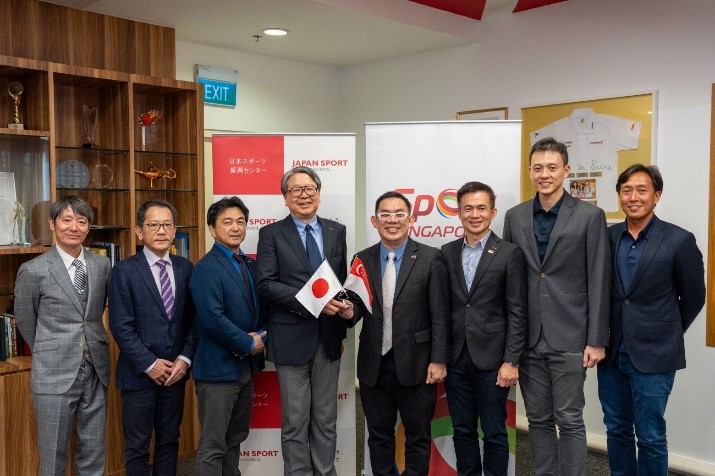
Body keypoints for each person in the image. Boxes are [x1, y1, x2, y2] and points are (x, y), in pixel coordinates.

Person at [502, 137, 610, 476]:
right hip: (529, 336)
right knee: (537, 418)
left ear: (565, 170)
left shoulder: (590, 216)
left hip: (571, 334)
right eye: (538, 168)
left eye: (552, 167)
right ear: (530, 172)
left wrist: (596, 338)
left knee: (570, 419)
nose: (544, 174)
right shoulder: (515, 216)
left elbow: (599, 279)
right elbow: (509, 278)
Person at [598, 164, 705, 476]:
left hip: (656, 354)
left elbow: (695, 297)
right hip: (612, 352)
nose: (633, 197)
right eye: (626, 190)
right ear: (619, 195)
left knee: (650, 435)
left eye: (641, 190)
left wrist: (667, 330)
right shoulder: (607, 237)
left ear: (656, 196)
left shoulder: (679, 240)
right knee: (616, 429)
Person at [256, 166, 354, 476]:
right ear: (285, 197)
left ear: (319, 194)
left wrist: (341, 316)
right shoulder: (271, 234)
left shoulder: (336, 231)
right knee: (295, 421)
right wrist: (314, 303)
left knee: (325, 418)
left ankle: (325, 473)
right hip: (289, 339)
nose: (304, 195)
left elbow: (340, 282)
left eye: (310, 188)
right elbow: (267, 284)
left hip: (328, 338)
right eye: (296, 190)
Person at [352, 190, 448, 476]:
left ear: (411, 219)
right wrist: (347, 312)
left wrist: (439, 359)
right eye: (385, 215)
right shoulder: (362, 259)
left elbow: (441, 314)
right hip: (374, 365)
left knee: (417, 438)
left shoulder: (432, 258)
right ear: (374, 220)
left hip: (418, 365)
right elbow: (357, 305)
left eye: (399, 214)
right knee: (378, 436)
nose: (392, 221)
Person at [14, 195, 112, 476]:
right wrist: (50, 349)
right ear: (52, 223)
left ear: (88, 227)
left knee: (93, 451)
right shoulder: (33, 270)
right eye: (67, 220)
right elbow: (26, 321)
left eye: (82, 221)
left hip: (95, 368)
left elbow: (97, 311)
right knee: (53, 455)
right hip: (53, 372)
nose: (74, 227)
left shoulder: (100, 265)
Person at [441, 182, 527, 476]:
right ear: (459, 212)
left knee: (493, 432)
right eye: (468, 208)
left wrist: (511, 360)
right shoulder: (447, 252)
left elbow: (518, 312)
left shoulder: (509, 253)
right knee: (462, 430)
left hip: (493, 361)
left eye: (481, 208)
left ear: (493, 212)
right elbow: (445, 309)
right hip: (456, 359)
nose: (474, 214)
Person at [108, 199, 196, 475]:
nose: (161, 231)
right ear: (139, 231)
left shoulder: (186, 268)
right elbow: (121, 326)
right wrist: (150, 364)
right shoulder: (124, 271)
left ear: (174, 230)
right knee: (137, 447)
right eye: (153, 225)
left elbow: (194, 321)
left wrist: (184, 359)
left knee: (170, 442)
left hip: (175, 374)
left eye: (167, 225)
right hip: (139, 375)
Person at [190, 196, 267, 475]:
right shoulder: (206, 268)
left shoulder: (250, 265)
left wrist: (261, 338)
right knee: (213, 446)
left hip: (245, 369)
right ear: (212, 229)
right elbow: (212, 319)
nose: (235, 227)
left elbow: (263, 313)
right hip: (217, 371)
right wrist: (248, 342)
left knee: (235, 439)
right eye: (227, 222)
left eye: (240, 221)